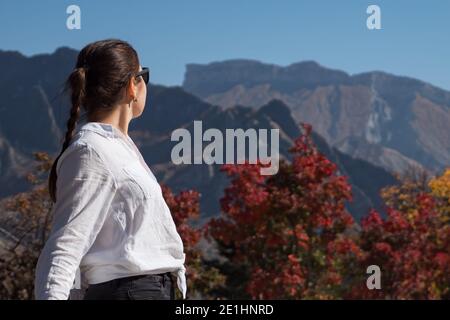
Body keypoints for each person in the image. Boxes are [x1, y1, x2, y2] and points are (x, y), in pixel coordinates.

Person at [34, 39, 187, 300]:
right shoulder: (91, 151)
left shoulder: (116, 147)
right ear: (132, 86)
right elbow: (65, 246)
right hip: (132, 292)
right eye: (144, 75)